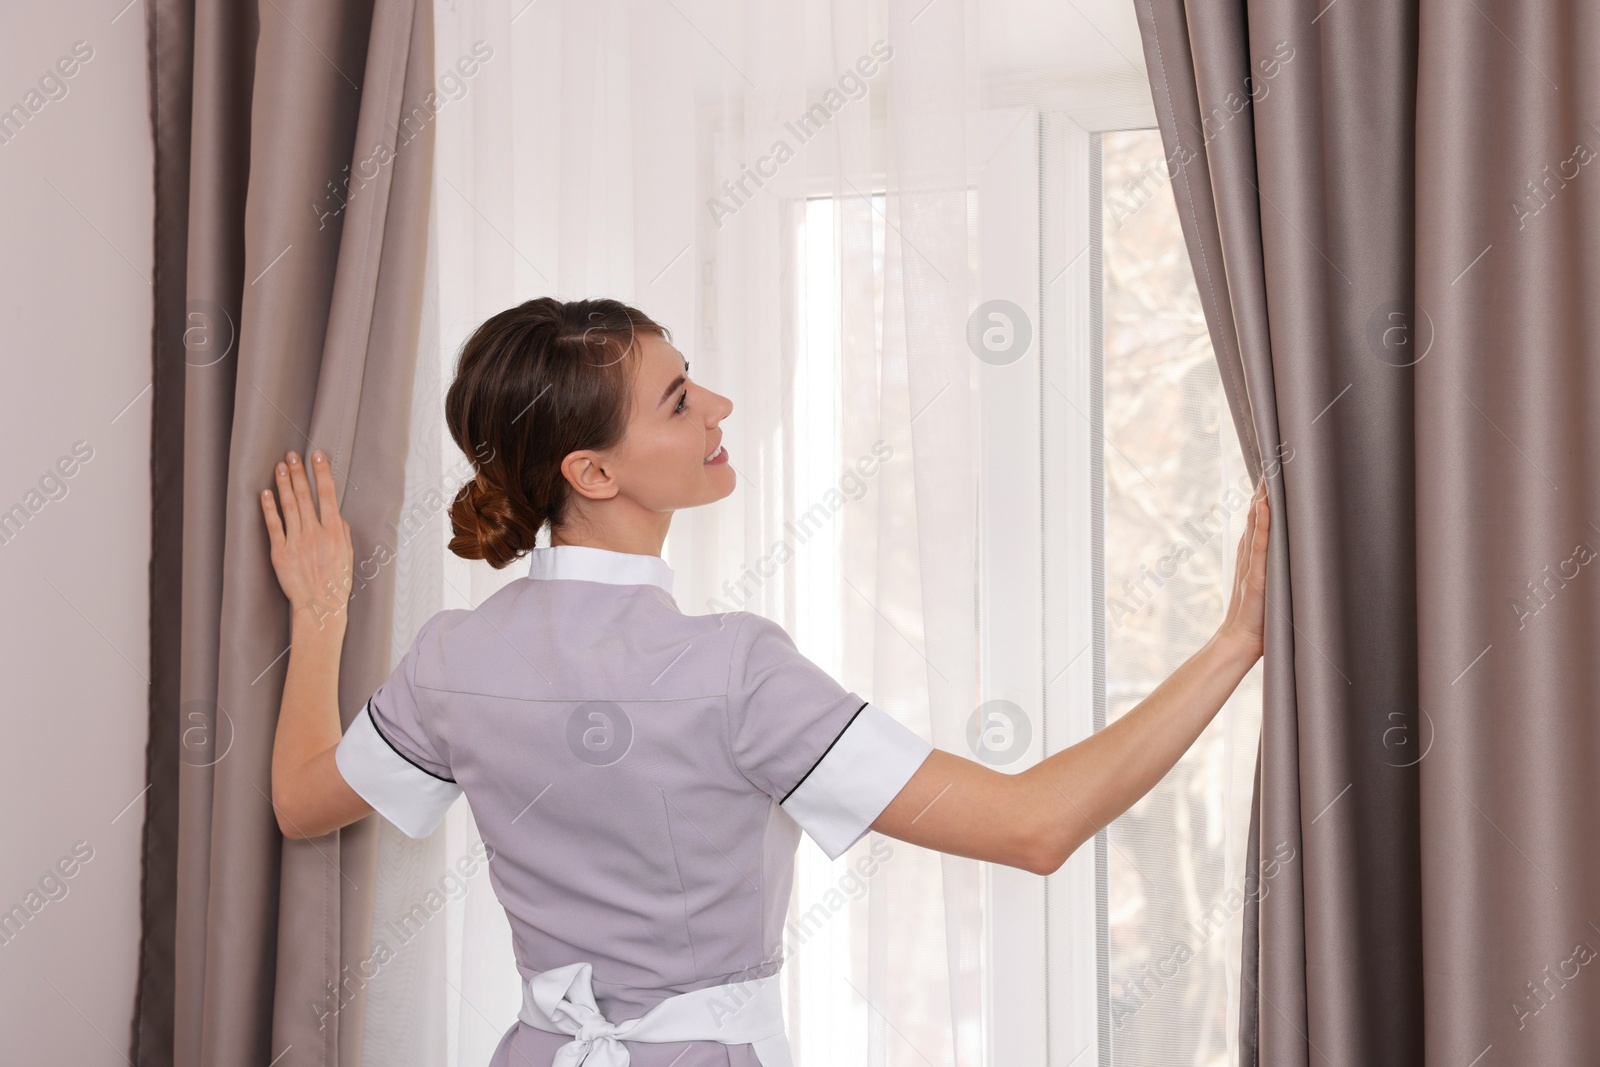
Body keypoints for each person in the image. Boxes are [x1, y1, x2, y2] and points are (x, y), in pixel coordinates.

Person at [260, 297, 1270, 1067]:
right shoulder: (731, 670)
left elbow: (303, 800)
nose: (718, 405)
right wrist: (1231, 643)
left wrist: (321, 614)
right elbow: (1031, 825)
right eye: (678, 398)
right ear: (593, 473)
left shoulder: (450, 658)